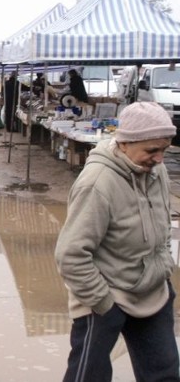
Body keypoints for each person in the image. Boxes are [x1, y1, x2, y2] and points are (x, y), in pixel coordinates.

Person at [55, 101, 179, 382]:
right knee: (88, 377)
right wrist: (104, 303)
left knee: (165, 374)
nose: (159, 159)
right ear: (124, 143)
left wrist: (163, 269)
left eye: (164, 149)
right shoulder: (98, 183)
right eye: (152, 150)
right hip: (106, 297)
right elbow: (70, 255)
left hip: (152, 292)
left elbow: (161, 226)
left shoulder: (156, 172)